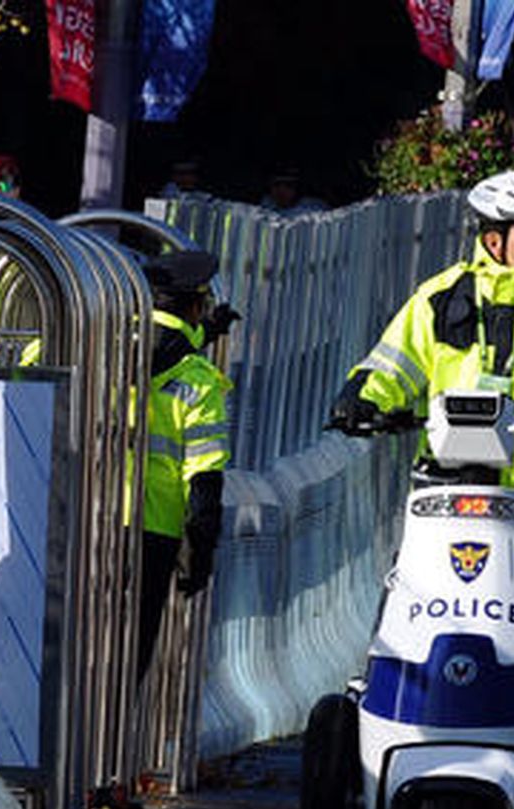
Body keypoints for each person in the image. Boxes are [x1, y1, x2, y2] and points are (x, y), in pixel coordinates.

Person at [327, 169, 514, 562]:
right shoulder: (440, 299)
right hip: (451, 490)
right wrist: (363, 397)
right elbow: (394, 363)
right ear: (494, 240)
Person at [134, 250, 238, 679]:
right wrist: (199, 551)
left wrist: (203, 332)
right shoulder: (197, 381)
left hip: (83, 523)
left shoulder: (97, 345)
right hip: (155, 532)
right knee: (131, 655)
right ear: (195, 306)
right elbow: (203, 478)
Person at [260, 166, 327, 216]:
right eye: (276, 185)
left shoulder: (315, 208)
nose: (281, 191)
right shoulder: (263, 208)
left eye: (288, 185)